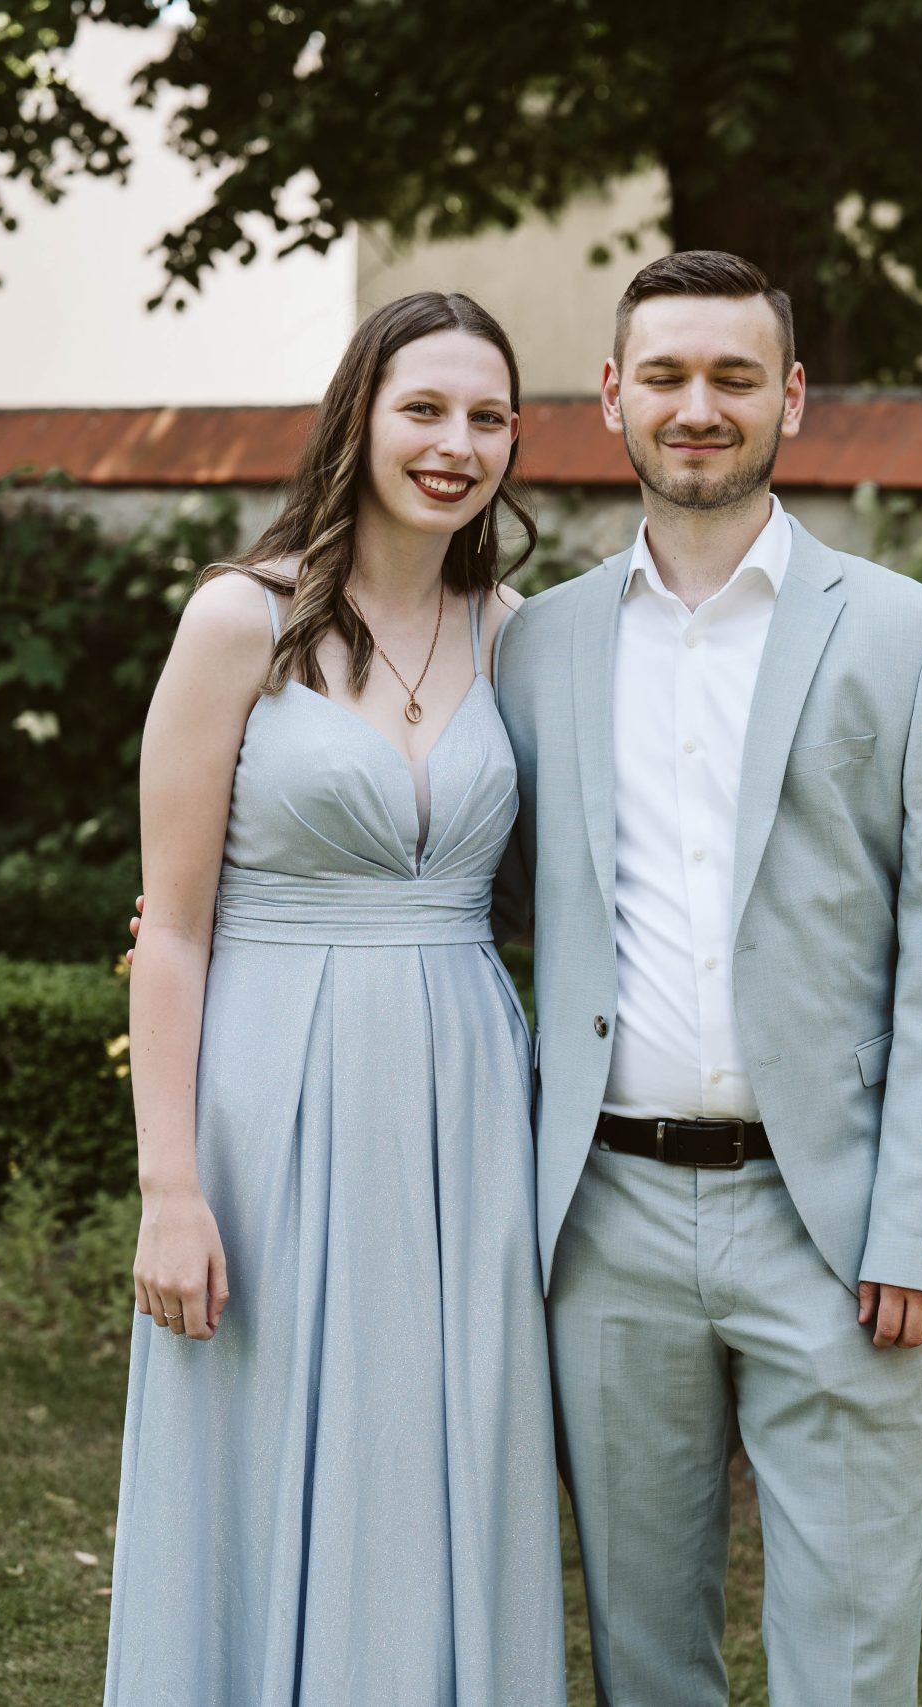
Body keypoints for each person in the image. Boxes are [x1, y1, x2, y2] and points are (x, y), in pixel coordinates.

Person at [491, 250, 922, 1707]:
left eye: (734, 376)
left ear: (791, 397)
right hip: (604, 1220)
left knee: (849, 1664)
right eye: (665, 375)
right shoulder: (537, 643)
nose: (698, 406)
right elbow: (453, 870)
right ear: (612, 396)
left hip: (833, 1223)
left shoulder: (915, 634)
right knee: (645, 1660)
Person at [102, 289, 562, 1706]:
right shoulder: (239, 619)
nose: (456, 444)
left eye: (488, 416)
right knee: (260, 1444)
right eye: (424, 408)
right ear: (358, 416)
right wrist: (169, 1189)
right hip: (272, 1098)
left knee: (444, 1442)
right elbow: (171, 931)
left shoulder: (521, 636)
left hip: (467, 1100)